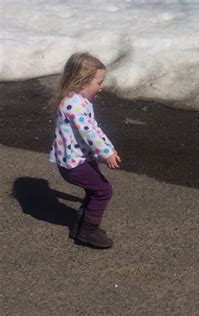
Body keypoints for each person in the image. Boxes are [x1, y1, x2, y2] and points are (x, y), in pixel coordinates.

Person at [49, 52, 121, 249]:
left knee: (94, 189)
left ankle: (80, 226)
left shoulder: (78, 101)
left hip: (79, 159)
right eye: (98, 82)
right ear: (82, 82)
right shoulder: (74, 106)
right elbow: (90, 133)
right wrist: (106, 153)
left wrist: (109, 148)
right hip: (74, 165)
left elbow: (94, 128)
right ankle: (88, 232)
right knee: (103, 191)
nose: (102, 86)